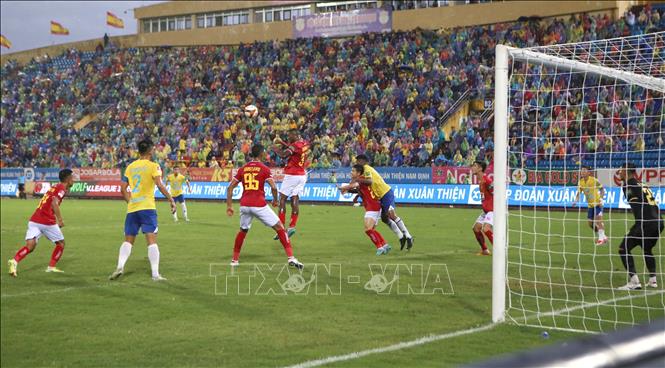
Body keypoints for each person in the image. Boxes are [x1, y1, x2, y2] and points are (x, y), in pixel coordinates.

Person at [226, 144, 304, 269]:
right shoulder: (264, 168)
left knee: (243, 231)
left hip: (245, 205)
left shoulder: (243, 168)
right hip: (259, 205)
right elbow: (273, 187)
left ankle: (234, 260)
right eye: (264, 153)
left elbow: (230, 188)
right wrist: (274, 200)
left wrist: (229, 206)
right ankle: (291, 258)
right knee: (280, 228)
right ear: (261, 154)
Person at [109, 139, 176, 281]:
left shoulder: (130, 167)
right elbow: (159, 184)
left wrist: (131, 202)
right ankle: (155, 274)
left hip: (133, 208)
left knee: (128, 240)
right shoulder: (154, 166)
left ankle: (120, 266)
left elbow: (122, 189)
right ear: (150, 151)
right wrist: (171, 199)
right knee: (151, 240)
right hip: (147, 208)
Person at [8, 169, 74, 277]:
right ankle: (51, 267)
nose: (74, 180)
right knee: (61, 243)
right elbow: (54, 203)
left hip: (34, 219)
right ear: (68, 179)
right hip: (47, 221)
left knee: (30, 246)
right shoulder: (61, 188)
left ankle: (14, 261)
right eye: (72, 178)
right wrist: (60, 220)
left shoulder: (55, 186)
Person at [616, 163, 663, 290]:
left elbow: (636, 205)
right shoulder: (641, 184)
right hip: (658, 222)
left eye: (621, 170)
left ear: (626, 171)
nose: (619, 172)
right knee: (647, 249)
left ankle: (634, 282)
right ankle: (653, 281)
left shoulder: (628, 185)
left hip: (645, 222)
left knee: (623, 248)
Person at [354, 154, 414, 250]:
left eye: (358, 161)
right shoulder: (363, 172)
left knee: (391, 214)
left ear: (363, 161)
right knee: (385, 218)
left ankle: (408, 236)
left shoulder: (366, 168)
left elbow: (369, 182)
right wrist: (354, 193)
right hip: (380, 197)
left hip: (386, 193)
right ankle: (401, 237)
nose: (357, 163)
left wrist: (357, 179)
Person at [338, 164, 392, 255]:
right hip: (371, 206)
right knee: (371, 229)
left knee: (368, 229)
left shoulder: (361, 178)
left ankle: (380, 247)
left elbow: (354, 185)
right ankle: (385, 245)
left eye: (353, 171)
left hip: (373, 206)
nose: (351, 172)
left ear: (359, 173)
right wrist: (348, 190)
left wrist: (344, 187)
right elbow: (358, 189)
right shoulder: (361, 180)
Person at [273, 128, 310, 238]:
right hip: (302, 175)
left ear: (295, 135)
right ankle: (292, 226)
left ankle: (281, 228)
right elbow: (296, 150)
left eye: (290, 136)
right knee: (295, 199)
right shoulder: (305, 143)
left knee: (282, 199)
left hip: (292, 174)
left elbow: (284, 155)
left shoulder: (294, 146)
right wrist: (283, 143)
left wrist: (275, 149)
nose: (289, 138)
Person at [574, 166, 608, 245]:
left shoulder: (594, 180)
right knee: (590, 224)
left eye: (584, 170)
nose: (582, 172)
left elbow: (602, 189)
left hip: (597, 204)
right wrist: (575, 201)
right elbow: (578, 193)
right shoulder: (580, 182)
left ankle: (600, 239)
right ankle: (603, 236)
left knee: (598, 221)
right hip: (590, 206)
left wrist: (601, 199)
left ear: (589, 172)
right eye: (582, 170)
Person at [471, 161, 493, 256]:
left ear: (480, 168)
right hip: (486, 211)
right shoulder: (480, 181)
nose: (472, 167)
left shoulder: (487, 180)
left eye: (474, 166)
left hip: (493, 210)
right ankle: (485, 250)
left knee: (486, 228)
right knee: (476, 228)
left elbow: (496, 192)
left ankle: (499, 249)